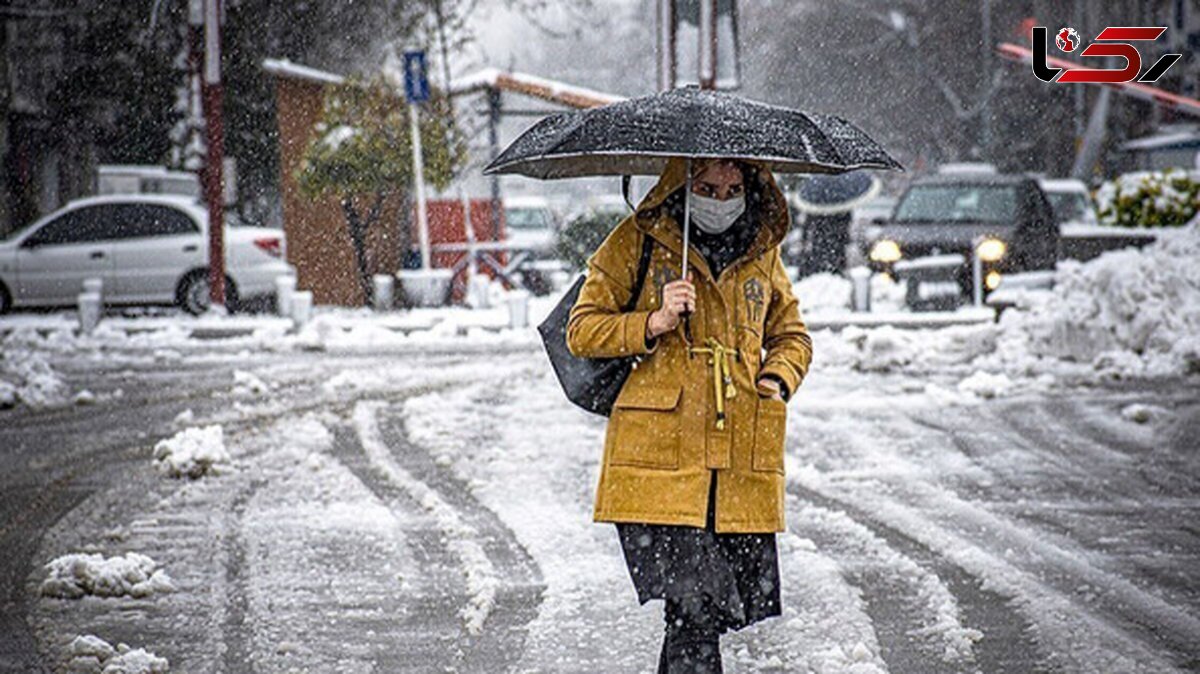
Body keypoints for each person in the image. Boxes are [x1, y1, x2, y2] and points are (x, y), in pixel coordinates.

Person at [565, 156, 813, 673]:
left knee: (698, 614)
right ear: (682, 184)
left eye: (731, 189)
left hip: (736, 466)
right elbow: (582, 331)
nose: (719, 200)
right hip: (659, 465)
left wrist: (775, 381)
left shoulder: (762, 253)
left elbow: (792, 336)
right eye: (705, 187)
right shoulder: (638, 240)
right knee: (696, 608)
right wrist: (652, 320)